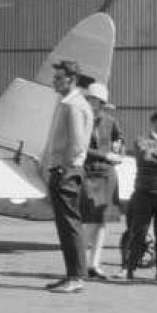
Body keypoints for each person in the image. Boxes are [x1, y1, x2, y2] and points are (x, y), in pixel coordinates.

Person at [39, 60, 93, 294]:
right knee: (66, 225)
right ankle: (72, 274)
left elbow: (77, 143)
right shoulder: (68, 103)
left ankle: (76, 276)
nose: (55, 81)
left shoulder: (74, 105)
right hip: (65, 170)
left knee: (70, 225)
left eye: (59, 78)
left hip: (67, 172)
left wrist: (62, 168)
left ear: (71, 80)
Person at [122, 107, 157, 279]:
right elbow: (147, 156)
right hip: (144, 193)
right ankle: (128, 268)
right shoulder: (141, 140)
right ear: (155, 122)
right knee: (137, 232)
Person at [79, 82, 126, 280]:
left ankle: (94, 264)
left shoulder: (110, 121)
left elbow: (120, 140)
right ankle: (78, 262)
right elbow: (81, 148)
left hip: (107, 175)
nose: (91, 103)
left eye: (95, 100)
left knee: (102, 222)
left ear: (101, 102)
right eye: (89, 99)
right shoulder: (81, 120)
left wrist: (120, 153)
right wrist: (106, 156)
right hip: (90, 174)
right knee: (90, 221)